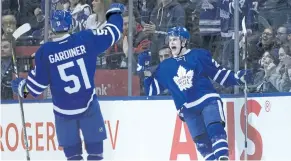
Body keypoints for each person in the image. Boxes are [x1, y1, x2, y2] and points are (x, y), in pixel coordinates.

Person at [10, 3, 124, 161]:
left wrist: (21, 87)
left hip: (64, 113)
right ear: (71, 25)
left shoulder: (46, 51)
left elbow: (34, 90)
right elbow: (114, 32)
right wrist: (115, 13)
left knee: (73, 157)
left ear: (51, 28)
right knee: (96, 155)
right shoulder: (86, 38)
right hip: (89, 106)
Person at [137, 26, 252, 160]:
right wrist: (143, 69)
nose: (171, 43)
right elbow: (151, 90)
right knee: (202, 144)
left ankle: (222, 158)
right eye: (170, 40)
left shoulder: (198, 55)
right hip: (187, 110)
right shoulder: (165, 66)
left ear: (184, 42)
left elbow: (219, 74)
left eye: (175, 39)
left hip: (207, 100)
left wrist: (238, 78)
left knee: (215, 130)